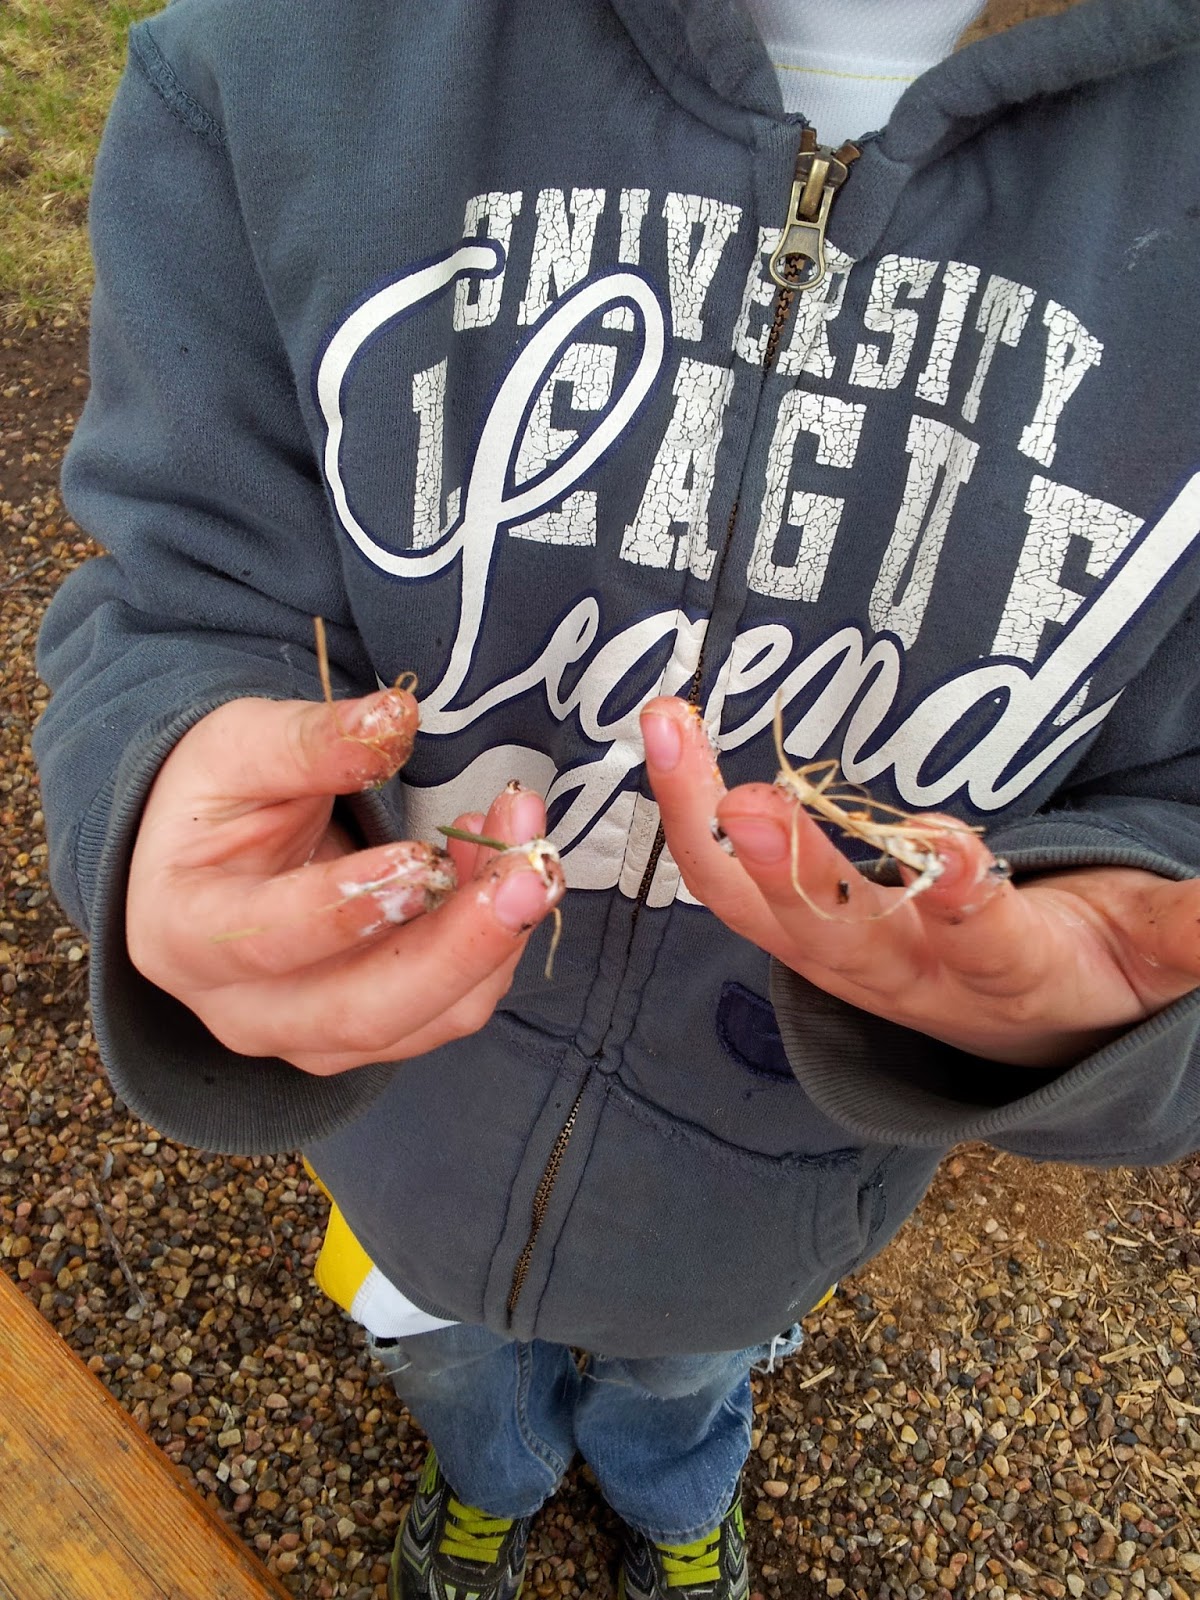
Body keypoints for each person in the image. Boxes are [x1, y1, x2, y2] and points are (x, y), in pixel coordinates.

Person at [34, 0, 1200, 1596]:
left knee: (684, 1386)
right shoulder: (276, 54)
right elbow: (180, 596)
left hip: (768, 1205)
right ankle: (491, 1481)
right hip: (402, 1145)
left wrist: (1098, 1011)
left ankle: (675, 1499)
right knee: (453, 1368)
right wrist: (169, 788)